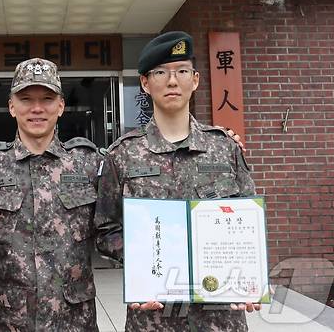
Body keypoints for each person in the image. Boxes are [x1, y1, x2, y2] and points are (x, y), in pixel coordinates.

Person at [95, 31, 260, 331]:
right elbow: (106, 230)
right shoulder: (123, 155)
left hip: (220, 316)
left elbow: (247, 221)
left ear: (195, 80)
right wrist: (143, 261)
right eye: (161, 72)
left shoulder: (225, 148)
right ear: (145, 83)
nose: (172, 81)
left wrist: (250, 277)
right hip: (153, 315)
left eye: (182, 71)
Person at [0, 58, 115, 331]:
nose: (36, 108)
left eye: (47, 98)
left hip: (73, 320)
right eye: (25, 99)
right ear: (11, 106)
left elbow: (112, 230)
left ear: (61, 106)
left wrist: (154, 276)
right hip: (7, 320)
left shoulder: (89, 163)